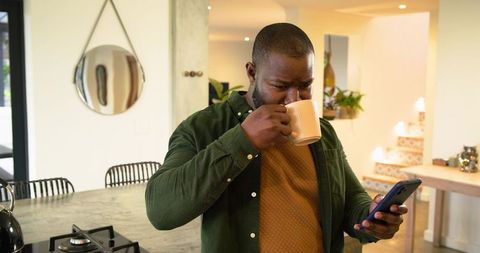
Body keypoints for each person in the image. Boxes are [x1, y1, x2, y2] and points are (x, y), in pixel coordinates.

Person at [145, 23, 407, 253]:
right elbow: (161, 210)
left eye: (305, 85)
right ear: (251, 73)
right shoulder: (204, 127)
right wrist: (243, 139)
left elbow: (350, 200)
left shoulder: (323, 132)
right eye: (281, 86)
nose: (295, 99)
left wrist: (372, 220)